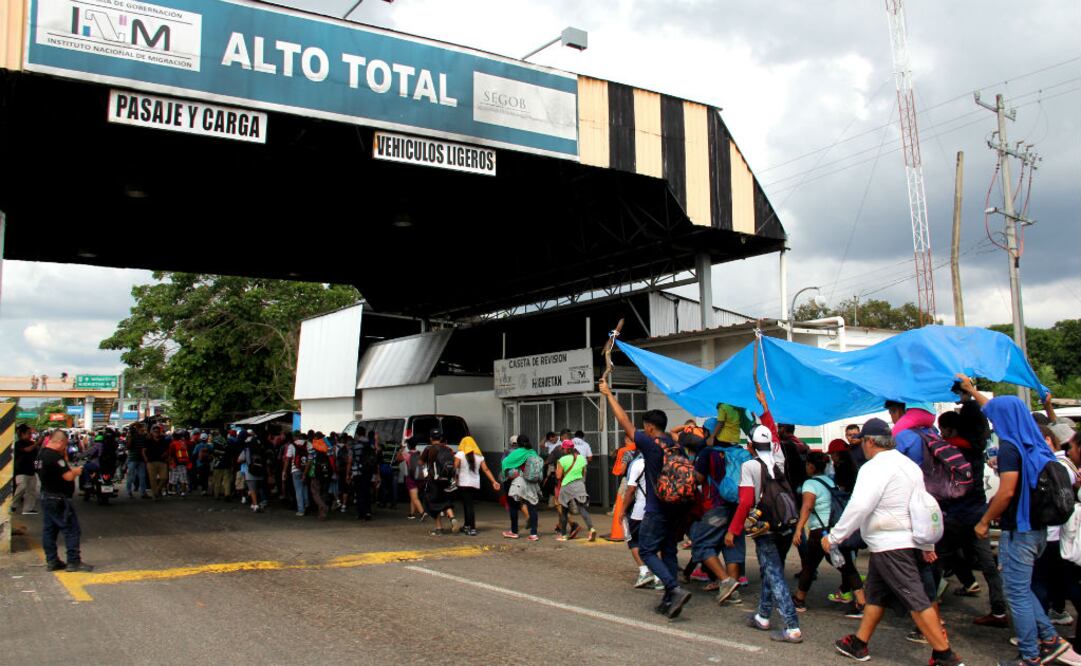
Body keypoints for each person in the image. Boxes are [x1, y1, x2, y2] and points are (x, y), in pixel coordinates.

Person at [959, 380, 1075, 666]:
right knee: (1020, 590)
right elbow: (997, 408)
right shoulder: (1037, 444)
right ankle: (1049, 639)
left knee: (1017, 594)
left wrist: (984, 521)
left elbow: (1007, 491)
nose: (992, 421)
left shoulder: (1011, 449)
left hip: (1019, 531)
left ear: (1004, 419)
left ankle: (1030, 655)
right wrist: (972, 390)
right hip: (1038, 530)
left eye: (995, 417)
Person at [829, 418, 963, 666]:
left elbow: (859, 506)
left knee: (916, 599)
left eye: (862, 441)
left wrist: (835, 536)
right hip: (904, 540)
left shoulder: (873, 468)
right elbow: (922, 505)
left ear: (869, 441)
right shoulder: (909, 465)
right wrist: (926, 544)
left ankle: (944, 655)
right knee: (876, 595)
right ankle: (859, 643)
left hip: (891, 544)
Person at [601, 378, 694, 620]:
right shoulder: (675, 447)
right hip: (677, 508)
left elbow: (624, 423)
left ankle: (673, 589)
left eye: (644, 428)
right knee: (669, 550)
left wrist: (609, 394)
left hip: (656, 507)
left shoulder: (651, 445)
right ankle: (668, 598)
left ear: (650, 428)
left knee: (647, 550)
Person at [728, 385, 802, 644]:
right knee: (773, 568)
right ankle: (762, 615)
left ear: (749, 446)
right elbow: (772, 434)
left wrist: (733, 530)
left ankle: (792, 626)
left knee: (774, 572)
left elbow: (745, 500)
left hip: (765, 525)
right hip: (785, 522)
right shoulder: (778, 457)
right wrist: (764, 408)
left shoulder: (750, 465)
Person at [933, 409, 1008, 628]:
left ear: (949, 429)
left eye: (942, 429)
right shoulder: (976, 449)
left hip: (955, 514)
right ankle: (999, 610)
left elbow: (944, 485)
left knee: (936, 559)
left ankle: (928, 614)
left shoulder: (948, 451)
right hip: (978, 513)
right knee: (988, 565)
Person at [792, 452, 866, 617]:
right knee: (846, 565)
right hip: (834, 528)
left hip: (819, 531)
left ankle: (799, 599)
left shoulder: (810, 484)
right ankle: (861, 602)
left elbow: (807, 507)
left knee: (809, 566)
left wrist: (799, 529)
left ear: (811, 466)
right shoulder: (829, 481)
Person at [688, 430, 742, 605]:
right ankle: (733, 591)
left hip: (716, 506)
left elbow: (699, 478)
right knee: (731, 546)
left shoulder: (707, 452)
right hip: (737, 506)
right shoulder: (737, 451)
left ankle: (725, 582)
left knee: (701, 543)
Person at [35, 430, 92, 572]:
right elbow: (67, 476)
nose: (65, 447)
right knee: (71, 530)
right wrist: (77, 471)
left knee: (49, 530)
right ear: (60, 442)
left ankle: (52, 560)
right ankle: (73, 561)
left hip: (47, 496)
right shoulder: (54, 457)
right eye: (65, 444)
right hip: (59, 499)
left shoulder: (41, 455)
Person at [623, 450, 662, 589]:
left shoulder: (638, 463)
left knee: (633, 540)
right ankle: (659, 577)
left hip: (640, 511)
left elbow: (630, 490)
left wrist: (622, 510)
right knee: (655, 543)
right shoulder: (663, 461)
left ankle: (644, 571)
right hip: (661, 509)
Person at [454, 436, 499, 536]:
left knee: (468, 505)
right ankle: (466, 526)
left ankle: (472, 528)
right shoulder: (479, 456)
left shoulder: (460, 454)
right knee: (468, 504)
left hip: (463, 483)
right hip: (474, 484)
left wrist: (453, 479)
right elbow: (486, 469)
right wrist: (494, 481)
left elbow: (454, 467)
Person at [501, 435, 542, 540]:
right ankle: (534, 534)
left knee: (513, 506)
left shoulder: (516, 452)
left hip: (519, 482)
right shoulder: (533, 452)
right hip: (532, 483)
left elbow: (505, 463)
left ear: (518, 443)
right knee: (532, 507)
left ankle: (514, 531)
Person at [555, 440, 596, 542]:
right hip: (579, 484)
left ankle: (563, 535)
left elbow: (558, 476)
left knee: (564, 511)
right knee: (582, 509)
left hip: (567, 486)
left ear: (564, 449)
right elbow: (583, 472)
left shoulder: (562, 460)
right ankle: (591, 529)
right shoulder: (581, 458)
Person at [421, 429, 458, 536]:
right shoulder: (448, 449)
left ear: (430, 438)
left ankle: (439, 528)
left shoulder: (429, 449)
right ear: (441, 438)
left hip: (434, 480)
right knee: (445, 500)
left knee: (433, 503)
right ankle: (452, 518)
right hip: (446, 480)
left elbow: (421, 461)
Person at [13, 424, 41, 516]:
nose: (30, 435)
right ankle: (12, 504)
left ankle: (28, 509)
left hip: (31, 471)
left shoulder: (32, 444)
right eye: (29, 433)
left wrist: (39, 468)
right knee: (22, 487)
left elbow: (37, 457)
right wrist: (37, 443)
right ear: (22, 434)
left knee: (31, 491)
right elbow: (27, 450)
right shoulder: (18, 444)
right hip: (21, 471)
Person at [239, 434, 267, 512]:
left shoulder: (246, 450)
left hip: (250, 472)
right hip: (260, 471)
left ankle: (255, 505)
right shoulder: (261, 449)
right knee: (257, 488)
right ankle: (254, 502)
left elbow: (239, 460)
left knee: (252, 489)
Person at [284, 432, 310, 516]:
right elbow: (311, 459)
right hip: (306, 469)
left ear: (294, 437)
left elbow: (287, 459)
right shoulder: (308, 444)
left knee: (298, 490)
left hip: (295, 470)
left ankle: (301, 510)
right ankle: (307, 505)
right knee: (305, 488)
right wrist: (305, 473)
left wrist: (284, 471)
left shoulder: (291, 445)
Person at [402, 440, 426, 519]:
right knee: (413, 496)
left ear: (408, 446)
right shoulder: (420, 453)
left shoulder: (407, 455)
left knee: (415, 498)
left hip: (410, 478)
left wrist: (401, 449)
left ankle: (422, 513)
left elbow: (397, 458)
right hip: (420, 478)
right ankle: (411, 514)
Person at [144, 425, 169, 500]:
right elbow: (143, 450)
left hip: (162, 461)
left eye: (158, 431)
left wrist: (166, 454)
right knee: (152, 479)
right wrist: (146, 459)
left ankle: (157, 491)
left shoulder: (163, 440)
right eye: (155, 431)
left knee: (164, 478)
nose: (156, 433)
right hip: (151, 461)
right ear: (152, 432)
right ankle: (155, 494)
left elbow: (167, 449)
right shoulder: (148, 440)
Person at [126, 424, 149, 499]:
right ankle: (129, 492)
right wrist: (130, 437)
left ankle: (143, 493)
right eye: (142, 430)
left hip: (141, 459)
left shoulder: (143, 437)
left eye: (143, 430)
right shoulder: (131, 436)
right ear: (137, 430)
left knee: (142, 476)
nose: (143, 431)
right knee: (131, 476)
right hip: (133, 459)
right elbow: (128, 447)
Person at [168, 431, 192, 498]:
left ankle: (170, 491)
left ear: (173, 437)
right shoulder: (183, 443)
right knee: (183, 479)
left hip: (175, 464)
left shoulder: (172, 444)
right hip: (183, 463)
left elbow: (171, 454)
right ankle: (183, 492)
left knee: (172, 478)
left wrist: (169, 463)